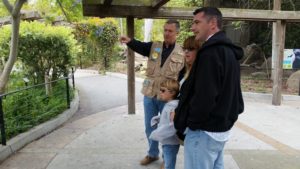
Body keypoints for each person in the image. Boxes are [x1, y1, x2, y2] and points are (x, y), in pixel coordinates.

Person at [174, 7, 244, 169]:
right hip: (220, 130)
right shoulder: (228, 52)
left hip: (203, 132)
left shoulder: (210, 53)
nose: (192, 27)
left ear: (213, 23)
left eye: (197, 22)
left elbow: (205, 96)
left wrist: (191, 123)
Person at [119, 19, 185, 166]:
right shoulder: (155, 46)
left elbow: (183, 78)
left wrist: (178, 99)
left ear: (177, 33)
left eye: (170, 31)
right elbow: (140, 46)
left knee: (167, 130)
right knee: (150, 127)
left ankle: (166, 158)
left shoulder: (182, 53)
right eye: (165, 30)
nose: (166, 33)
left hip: (168, 98)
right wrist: (129, 41)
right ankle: (152, 154)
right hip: (150, 94)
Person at [149, 79, 180, 169]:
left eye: (163, 90)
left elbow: (173, 125)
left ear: (172, 93)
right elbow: (166, 118)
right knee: (167, 162)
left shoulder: (172, 107)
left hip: (171, 142)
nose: (160, 92)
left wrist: (156, 134)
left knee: (168, 165)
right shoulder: (170, 105)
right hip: (168, 142)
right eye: (160, 90)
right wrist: (158, 118)